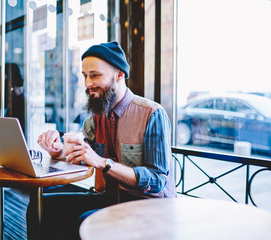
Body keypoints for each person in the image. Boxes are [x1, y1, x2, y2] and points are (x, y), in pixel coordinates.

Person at [26, 41, 176, 240]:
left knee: (86, 222)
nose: (88, 84)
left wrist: (102, 163)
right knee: (40, 206)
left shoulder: (152, 114)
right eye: (85, 76)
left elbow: (157, 181)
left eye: (95, 75)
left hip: (150, 209)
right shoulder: (97, 117)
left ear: (119, 74)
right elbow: (81, 155)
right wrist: (56, 151)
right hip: (111, 200)